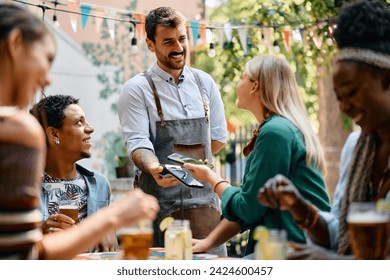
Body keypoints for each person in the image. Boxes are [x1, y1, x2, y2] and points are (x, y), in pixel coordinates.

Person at [0, 3, 159, 260]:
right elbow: (25, 257)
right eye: (47, 59)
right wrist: (112, 218)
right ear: (16, 43)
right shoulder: (15, 130)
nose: (47, 79)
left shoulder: (97, 184)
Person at [257, 0, 390, 259]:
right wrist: (299, 206)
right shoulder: (356, 147)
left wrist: (331, 264)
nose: (344, 108)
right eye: (338, 97)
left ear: (386, 79)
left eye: (351, 93)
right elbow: (339, 236)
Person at [183, 54, 331, 256]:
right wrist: (206, 243)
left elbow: (248, 208)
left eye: (243, 76)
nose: (238, 83)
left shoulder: (275, 132)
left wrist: (211, 178)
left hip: (294, 251)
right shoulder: (278, 128)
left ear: (255, 86)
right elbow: (252, 208)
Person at [117, 6, 227, 251]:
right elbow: (138, 143)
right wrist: (155, 167)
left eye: (182, 38)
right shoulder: (137, 89)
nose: (178, 47)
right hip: (161, 206)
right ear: (150, 44)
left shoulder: (205, 82)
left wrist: (191, 171)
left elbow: (216, 141)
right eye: (168, 41)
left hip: (206, 204)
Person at [30, 94, 117, 252]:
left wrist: (108, 228)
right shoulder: (24, 188)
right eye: (79, 122)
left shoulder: (100, 184)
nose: (90, 128)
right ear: (54, 134)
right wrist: (38, 237)